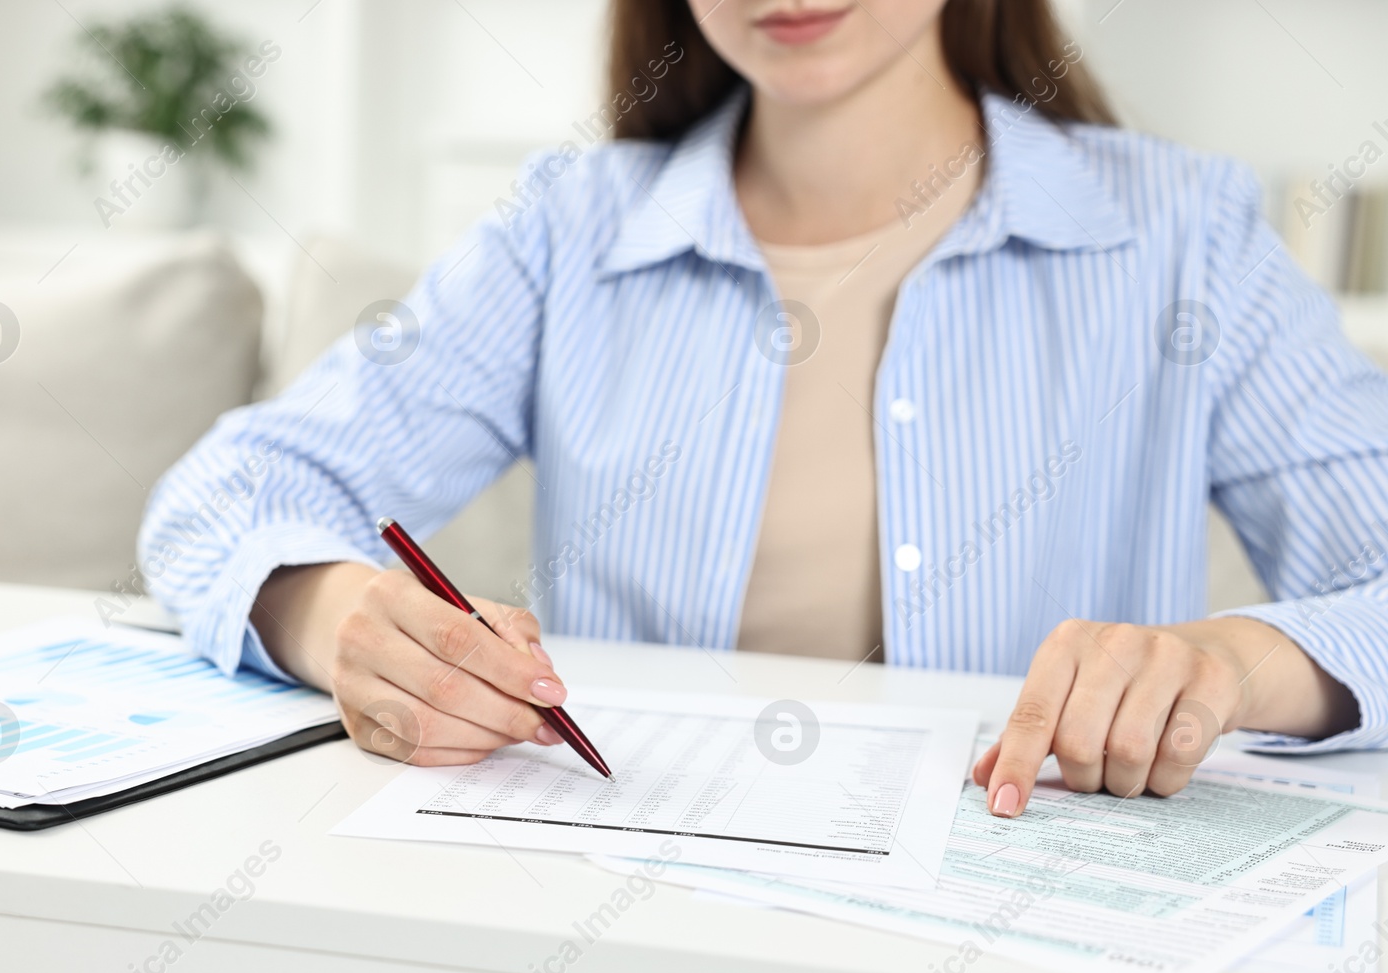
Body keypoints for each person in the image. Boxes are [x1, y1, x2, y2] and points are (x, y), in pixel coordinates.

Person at [139, 0, 1387, 817]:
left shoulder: (1188, 238)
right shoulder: (567, 231)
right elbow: (225, 493)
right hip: (635, 917)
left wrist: (1233, 661)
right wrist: (339, 610)